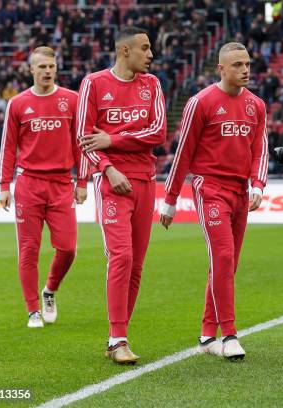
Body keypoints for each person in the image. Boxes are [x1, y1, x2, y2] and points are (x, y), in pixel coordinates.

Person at [160, 42, 268, 361]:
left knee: (227, 264)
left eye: (247, 63)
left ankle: (207, 335)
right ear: (221, 69)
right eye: (237, 65)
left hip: (239, 191)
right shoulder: (200, 102)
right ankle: (229, 334)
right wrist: (169, 198)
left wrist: (258, 184)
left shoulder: (256, 106)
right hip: (209, 187)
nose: (245, 69)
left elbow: (259, 149)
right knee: (222, 256)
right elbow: (184, 152)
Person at [77, 26, 166, 364]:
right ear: (125, 51)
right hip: (112, 184)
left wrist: (112, 139)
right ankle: (118, 339)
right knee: (122, 257)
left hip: (145, 180)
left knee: (137, 266)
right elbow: (84, 137)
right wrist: (108, 168)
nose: (151, 54)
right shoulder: (94, 83)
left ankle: (118, 335)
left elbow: (157, 131)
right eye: (145, 48)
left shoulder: (152, 85)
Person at [0, 46, 88, 329]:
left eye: (51, 66)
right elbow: (8, 147)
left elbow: (80, 145)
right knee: (28, 249)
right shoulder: (17, 104)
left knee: (68, 248)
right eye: (42, 67)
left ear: (56, 68)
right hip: (28, 184)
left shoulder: (72, 100)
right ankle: (33, 310)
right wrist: (4, 185)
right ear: (31, 70)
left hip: (62, 183)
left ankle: (49, 290)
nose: (47, 71)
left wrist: (82, 180)